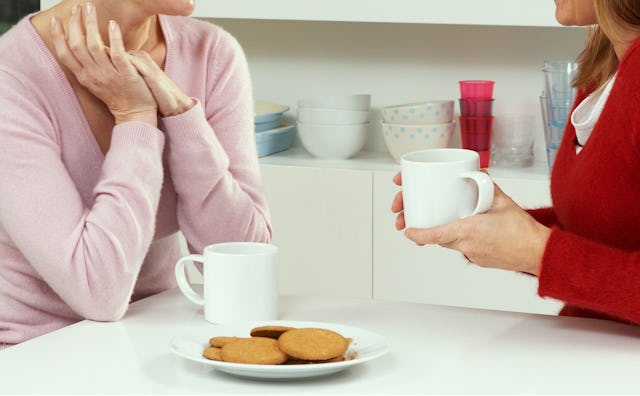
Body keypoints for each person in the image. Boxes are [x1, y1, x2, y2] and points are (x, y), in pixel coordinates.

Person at [0, 0, 272, 347]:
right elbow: (98, 294)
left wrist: (183, 118)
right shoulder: (12, 79)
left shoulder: (212, 54)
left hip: (161, 338)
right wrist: (135, 116)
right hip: (36, 350)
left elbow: (245, 269)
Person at [392, 0, 640, 326]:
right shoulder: (606, 69)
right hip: (591, 342)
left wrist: (535, 252)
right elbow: (609, 228)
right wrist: (487, 221)